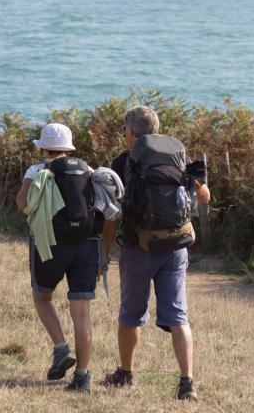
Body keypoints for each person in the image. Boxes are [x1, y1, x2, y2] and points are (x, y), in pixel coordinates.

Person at [103, 106, 210, 401]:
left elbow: (113, 213)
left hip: (139, 246)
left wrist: (105, 250)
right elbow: (205, 196)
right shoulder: (176, 155)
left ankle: (125, 373)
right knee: (178, 314)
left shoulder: (124, 160)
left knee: (131, 313)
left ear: (131, 133)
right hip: (176, 245)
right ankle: (187, 383)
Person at [15, 122, 115, 393]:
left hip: (50, 245)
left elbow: (22, 203)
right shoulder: (89, 171)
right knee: (81, 314)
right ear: (69, 147)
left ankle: (61, 348)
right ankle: (82, 376)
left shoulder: (37, 170)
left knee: (42, 296)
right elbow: (107, 211)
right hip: (86, 247)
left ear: (44, 148)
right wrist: (103, 255)